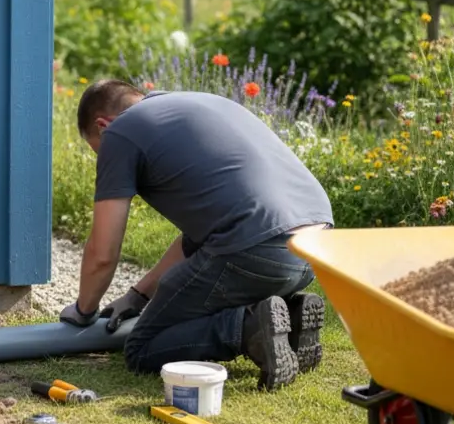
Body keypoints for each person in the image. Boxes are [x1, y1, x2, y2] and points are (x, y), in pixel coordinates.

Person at [59, 79, 333, 391]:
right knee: (201, 278)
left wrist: (84, 311)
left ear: (103, 126)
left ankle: (250, 328)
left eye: (97, 149)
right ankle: (291, 317)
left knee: (141, 348)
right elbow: (197, 239)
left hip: (256, 251)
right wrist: (139, 295)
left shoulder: (120, 133)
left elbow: (103, 253)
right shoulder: (198, 103)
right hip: (315, 248)